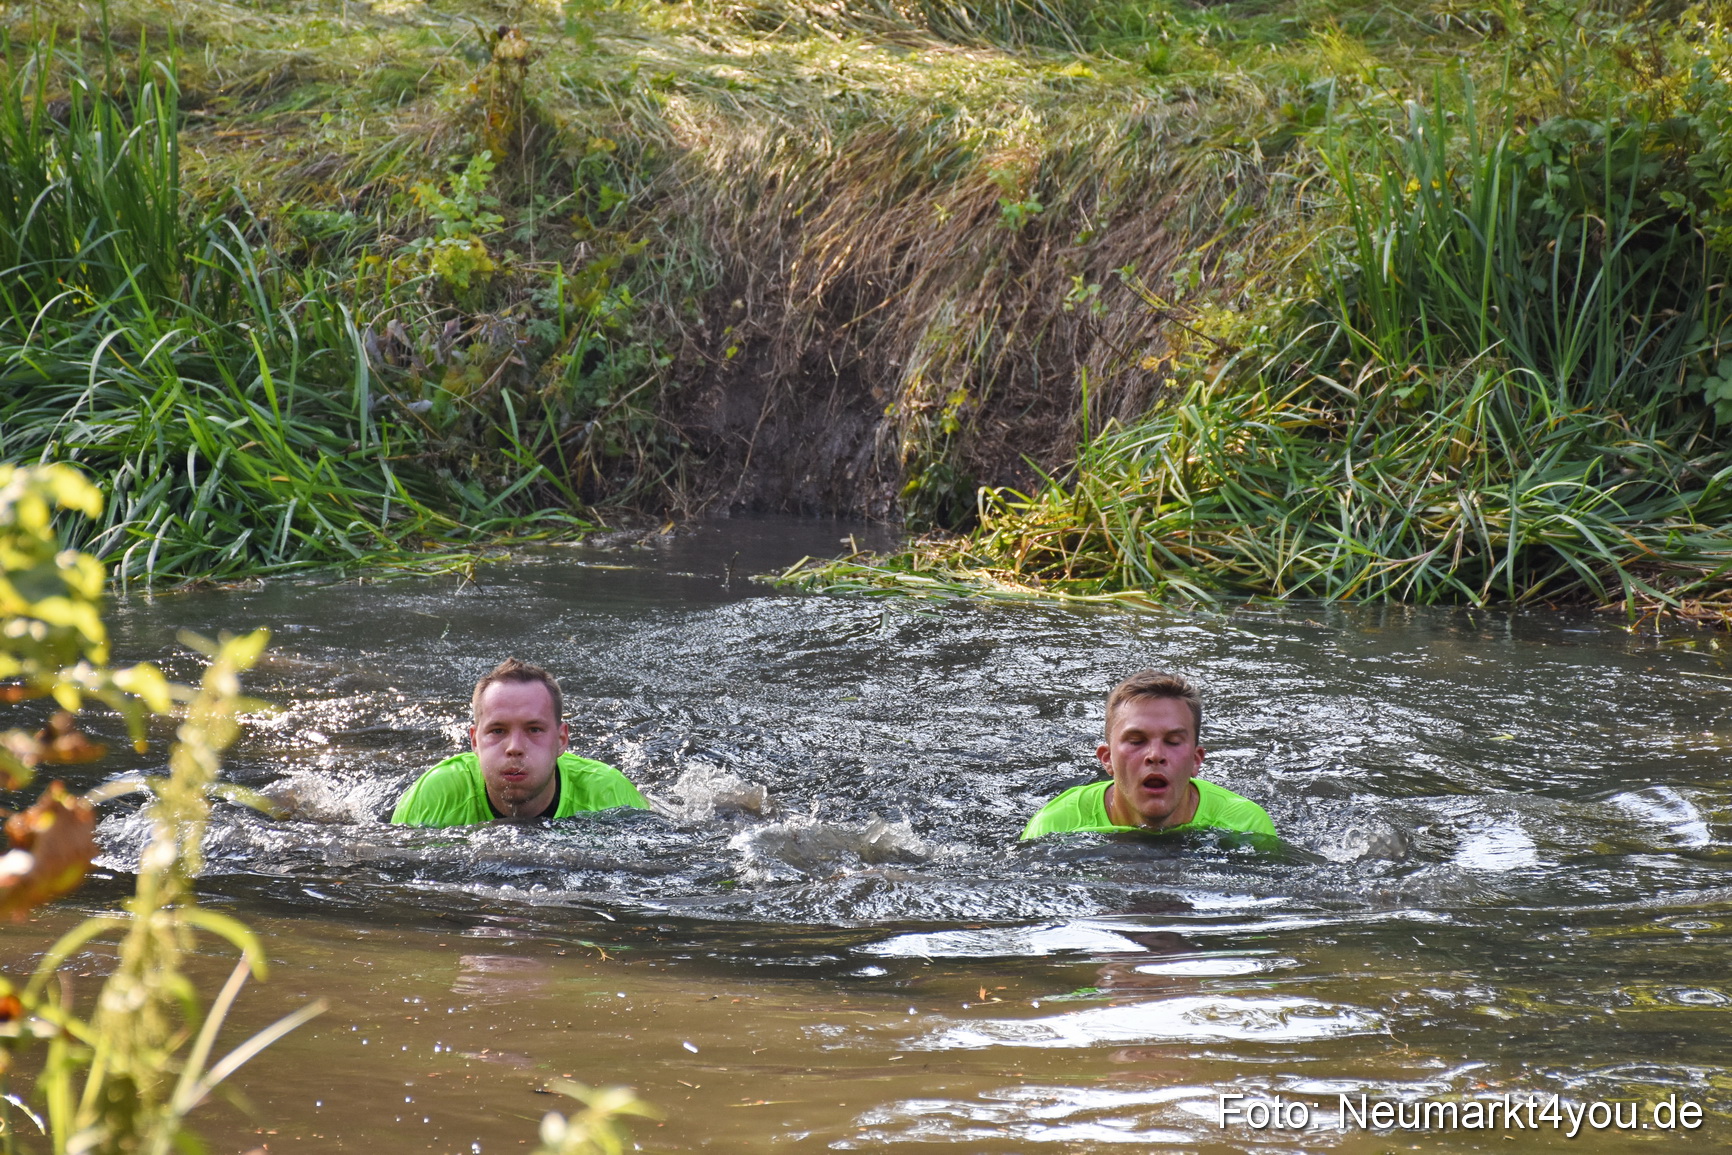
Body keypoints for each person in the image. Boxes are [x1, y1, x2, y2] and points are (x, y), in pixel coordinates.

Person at [390, 658, 648, 826]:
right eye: (498, 731)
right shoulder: (433, 797)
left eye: (534, 729)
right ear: (475, 741)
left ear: (561, 740)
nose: (514, 747)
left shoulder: (612, 797)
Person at [1021, 670, 1275, 839]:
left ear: (1196, 760)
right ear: (1107, 759)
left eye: (1173, 742)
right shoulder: (1056, 827)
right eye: (1136, 741)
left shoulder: (1244, 826)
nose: (1155, 755)